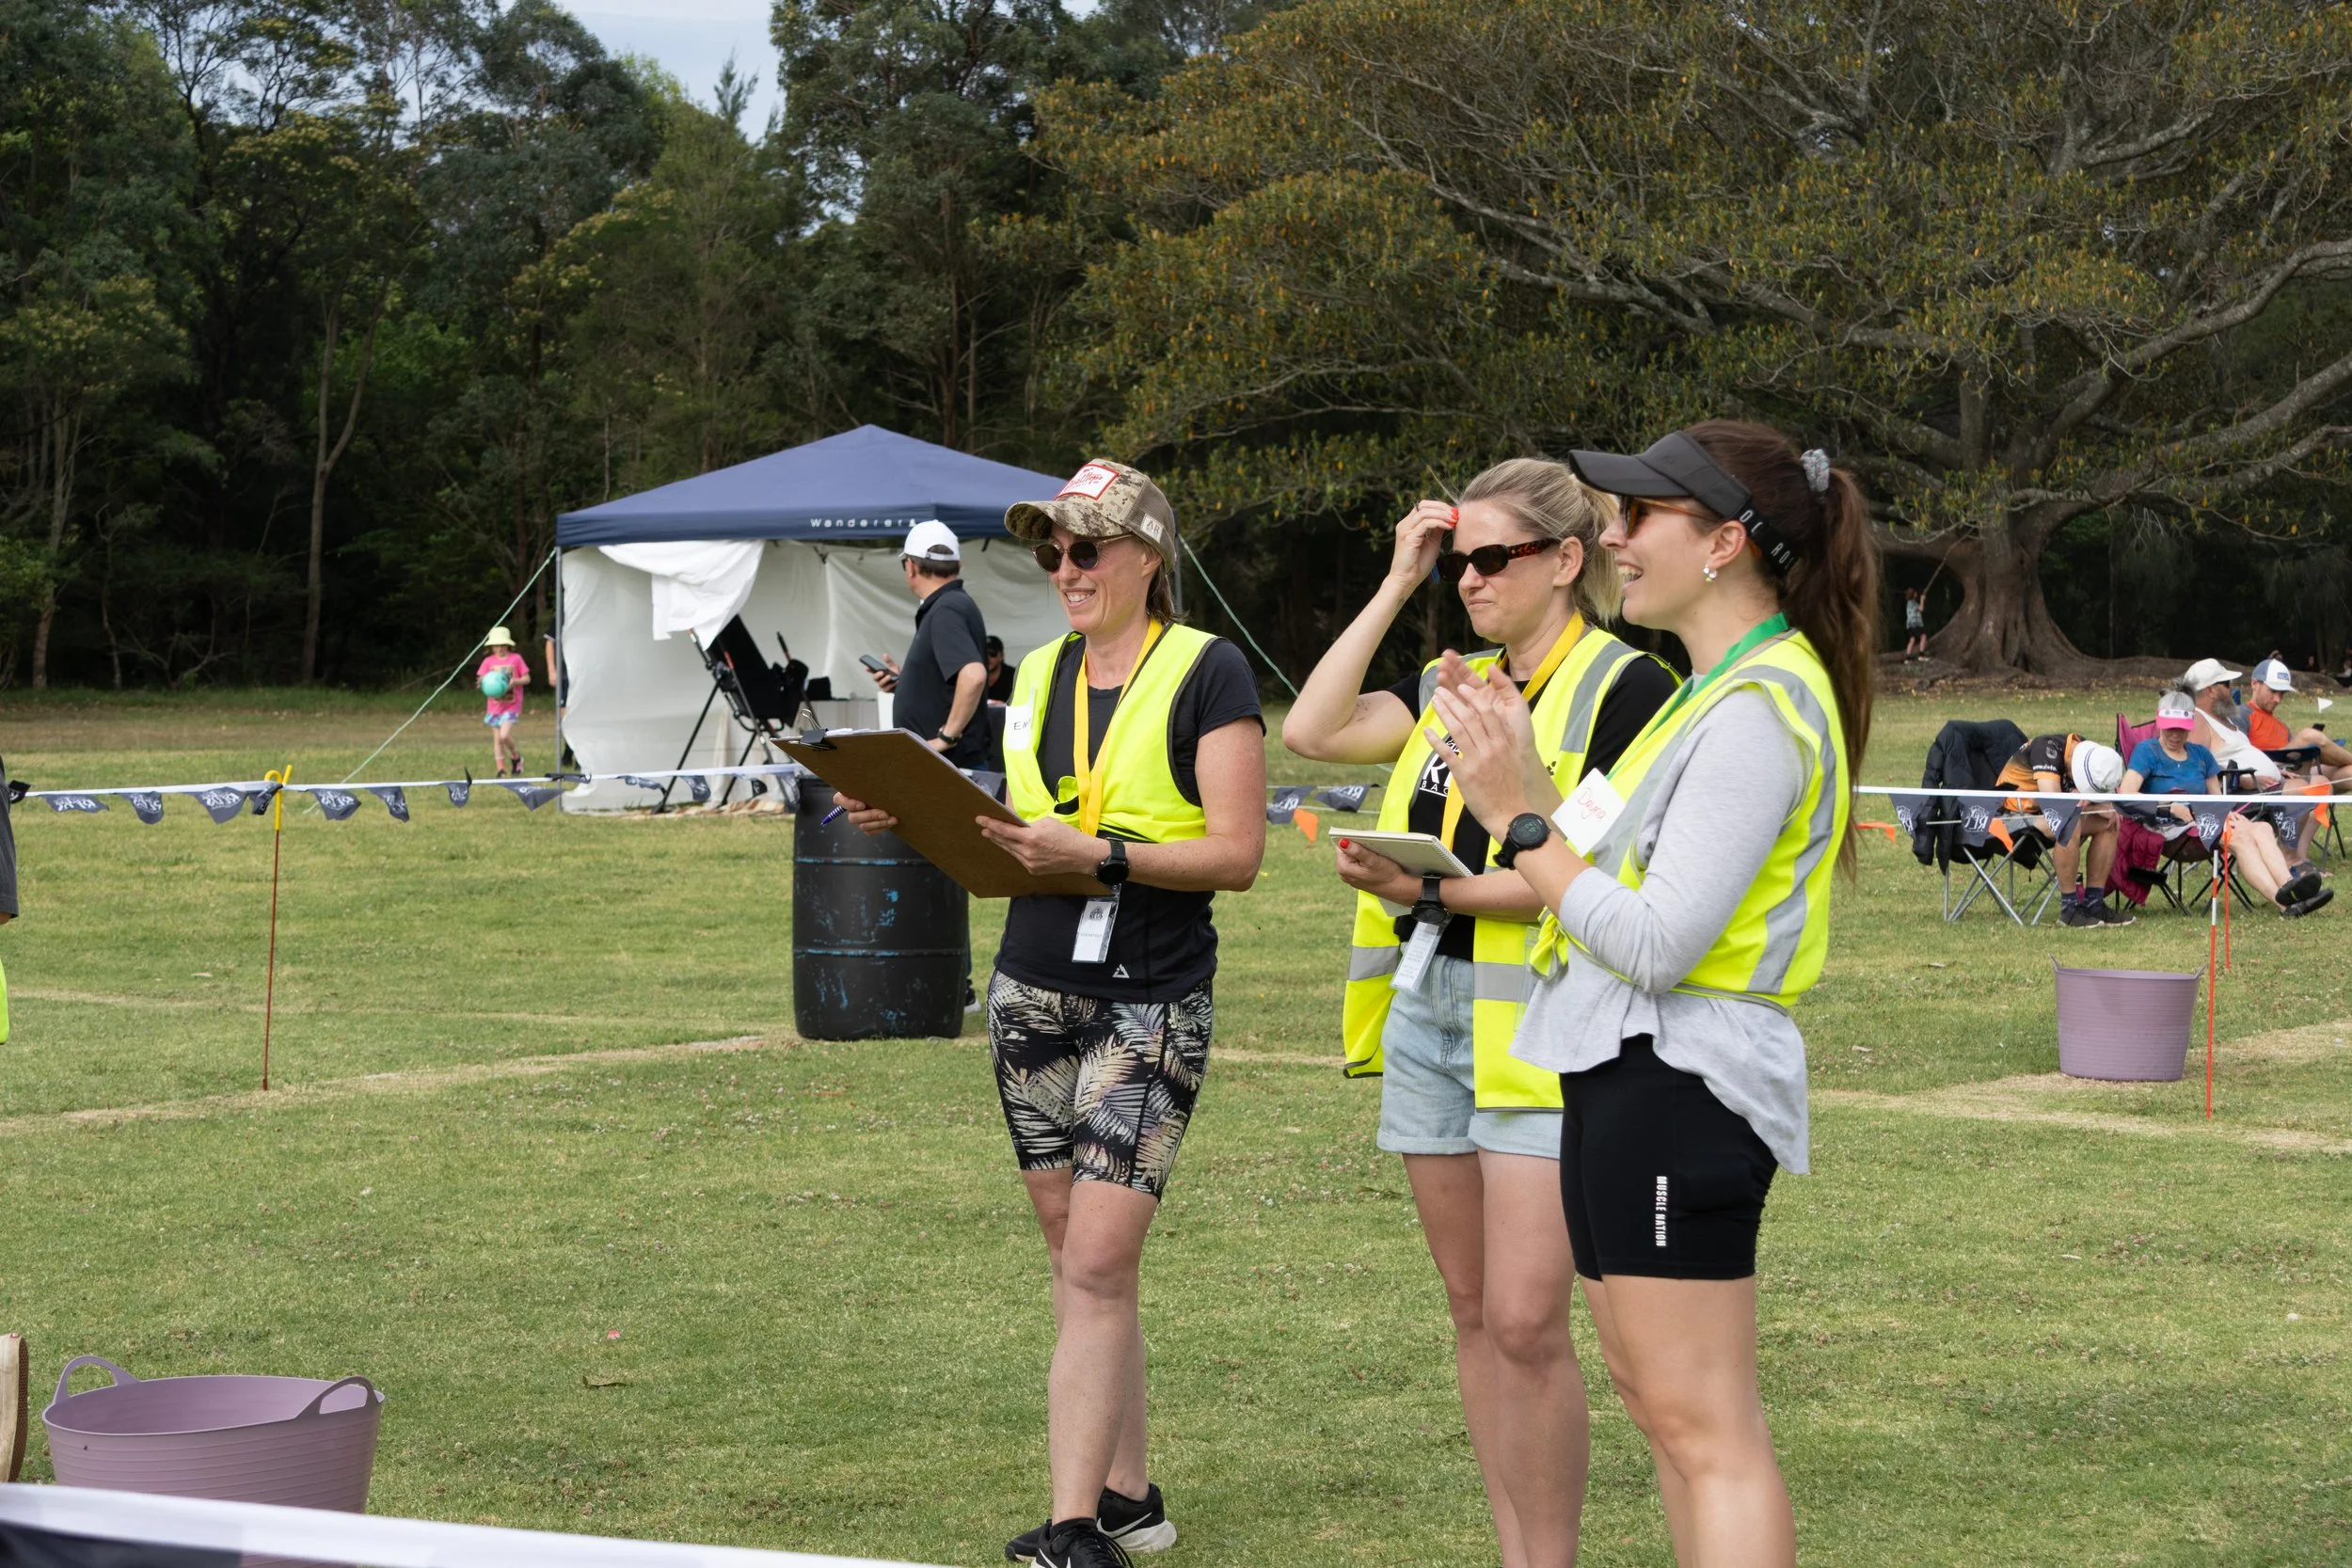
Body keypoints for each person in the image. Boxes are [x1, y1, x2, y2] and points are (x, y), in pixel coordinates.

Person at [1430, 421, 1876, 1568]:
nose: (1613, 537)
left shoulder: (1754, 708)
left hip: (1683, 1079)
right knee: (1658, 1405)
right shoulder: (1710, 690)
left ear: (1725, 541)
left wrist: (1520, 813)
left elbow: (1656, 940)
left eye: (1639, 517)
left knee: (1703, 1426)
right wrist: (1518, 808)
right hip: (1626, 1074)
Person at [834, 459, 1265, 1568]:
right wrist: (915, 806)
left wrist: (1105, 856)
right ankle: (1128, 1494)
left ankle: (1072, 1529)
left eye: (1086, 548)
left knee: (1095, 1262)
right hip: (1030, 986)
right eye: (1051, 551)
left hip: (1150, 996)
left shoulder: (1208, 670)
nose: (1064, 569)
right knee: (1078, 1256)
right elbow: (1013, 825)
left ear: (1146, 559)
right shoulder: (1034, 672)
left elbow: (1239, 852)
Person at [1282, 459, 1674, 1568]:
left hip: (1546, 1024)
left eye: (1488, 559)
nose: (1468, 579)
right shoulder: (1457, 680)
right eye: (1457, 561)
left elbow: (1578, 871)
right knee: (1470, 1311)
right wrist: (1398, 577)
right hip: (1428, 1012)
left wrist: (1429, 890)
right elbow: (1311, 725)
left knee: (1523, 1320)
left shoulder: (1627, 690)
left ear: (1565, 562)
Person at [2123, 690, 2328, 917]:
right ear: (2159, 722)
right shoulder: (2147, 751)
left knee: (2263, 828)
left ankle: (2292, 887)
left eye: (2181, 729)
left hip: (2205, 821)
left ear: (2190, 725)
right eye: (2170, 727)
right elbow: (2126, 793)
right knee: (2240, 839)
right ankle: (2285, 904)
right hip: (2173, 829)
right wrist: (2169, 806)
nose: (2175, 735)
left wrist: (2226, 813)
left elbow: (2218, 797)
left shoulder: (2200, 754)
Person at [866, 520, 992, 770]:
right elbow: (952, 680)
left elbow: (973, 675)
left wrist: (947, 737)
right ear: (958, 565)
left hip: (949, 765)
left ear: (911, 566)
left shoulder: (946, 608)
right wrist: (905, 683)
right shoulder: (953, 604)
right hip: (950, 764)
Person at [1994, 734, 2130, 927]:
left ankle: (2094, 903)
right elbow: (2054, 805)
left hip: (2043, 814)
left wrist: (2103, 807)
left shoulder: (2089, 751)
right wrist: (2093, 807)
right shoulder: (2045, 749)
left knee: (2110, 822)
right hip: (2009, 815)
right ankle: (2069, 909)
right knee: (2069, 823)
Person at [2244, 658, 2352, 783]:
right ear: (2254, 684)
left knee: (2349, 772)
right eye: (2273, 691)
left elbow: (2296, 758)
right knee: (2309, 736)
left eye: (2282, 693)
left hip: (2295, 771)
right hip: (2265, 775)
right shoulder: (2241, 715)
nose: (2277, 699)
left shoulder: (2281, 726)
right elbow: (2236, 754)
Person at [476, 627, 532, 777]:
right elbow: (482, 678)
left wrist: (516, 681)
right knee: (497, 739)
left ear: (508, 645)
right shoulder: (488, 661)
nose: (499, 649)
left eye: (502, 645)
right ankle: (501, 769)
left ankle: (516, 757)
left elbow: (527, 678)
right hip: (494, 706)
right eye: (496, 646)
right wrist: (481, 683)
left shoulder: (516, 659)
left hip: (512, 705)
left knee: (503, 735)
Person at [986, 635, 1018, 702]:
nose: (987, 658)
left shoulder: (1014, 677)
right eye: (984, 654)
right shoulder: (972, 676)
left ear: (1002, 656)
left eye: (992, 653)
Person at [1901, 586, 1928, 659]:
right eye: (1915, 593)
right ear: (1913, 595)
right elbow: (1921, 609)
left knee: (1912, 640)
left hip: (1909, 625)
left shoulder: (1908, 603)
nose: (1916, 593)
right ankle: (1921, 655)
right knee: (1923, 636)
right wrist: (1922, 600)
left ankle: (1907, 657)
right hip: (1916, 624)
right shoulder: (1913, 603)